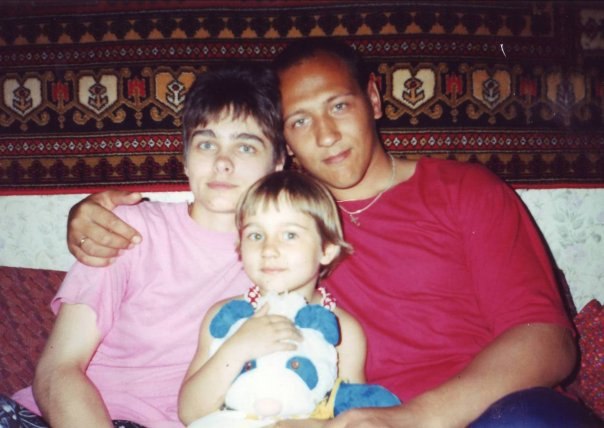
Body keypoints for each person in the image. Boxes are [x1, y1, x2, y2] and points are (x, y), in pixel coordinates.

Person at [63, 38, 600, 427]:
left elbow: (548, 341)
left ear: (374, 99)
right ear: (285, 145)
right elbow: (197, 225)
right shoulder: (280, 224)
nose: (325, 135)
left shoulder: (465, 190)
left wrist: (416, 417)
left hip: (487, 413)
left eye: (339, 106)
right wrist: (91, 215)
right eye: (299, 120)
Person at [0, 64, 286, 428]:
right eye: (206, 143)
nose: (222, 163)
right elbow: (57, 369)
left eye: (245, 147)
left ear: (278, 163)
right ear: (186, 158)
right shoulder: (127, 228)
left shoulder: (285, 260)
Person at [178, 170, 365, 425]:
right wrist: (237, 347)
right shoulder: (225, 316)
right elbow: (189, 413)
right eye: (256, 235)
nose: (268, 249)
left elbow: (354, 415)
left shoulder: (343, 329)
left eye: (289, 235)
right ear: (240, 247)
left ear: (326, 249)